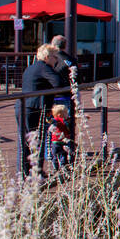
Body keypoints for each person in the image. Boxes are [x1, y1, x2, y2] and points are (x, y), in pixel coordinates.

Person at [20, 43, 66, 177]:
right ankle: (36, 172)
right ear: (47, 57)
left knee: (25, 141)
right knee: (36, 140)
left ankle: (25, 172)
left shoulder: (32, 67)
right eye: (54, 57)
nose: (56, 60)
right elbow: (59, 82)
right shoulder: (44, 67)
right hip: (34, 107)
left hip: (25, 106)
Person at [45, 103, 74, 172]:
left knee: (64, 154)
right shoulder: (57, 120)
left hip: (63, 141)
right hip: (56, 141)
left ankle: (63, 165)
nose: (68, 114)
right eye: (66, 113)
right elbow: (50, 121)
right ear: (60, 115)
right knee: (56, 155)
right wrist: (48, 117)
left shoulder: (66, 120)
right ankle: (56, 167)